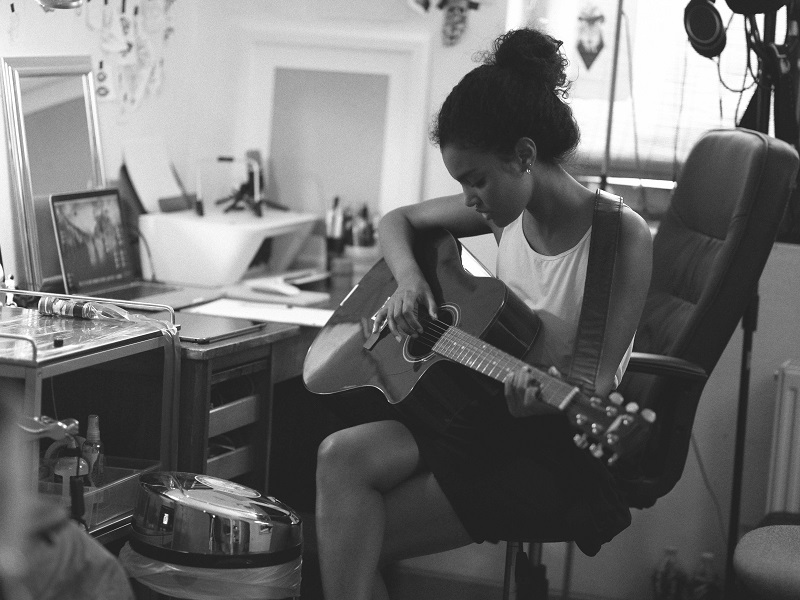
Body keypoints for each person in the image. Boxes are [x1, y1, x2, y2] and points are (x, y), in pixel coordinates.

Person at [314, 27, 653, 600]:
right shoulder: (503, 211)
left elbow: (591, 384)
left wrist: (537, 403)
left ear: (523, 154)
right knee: (336, 456)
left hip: (549, 438)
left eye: (476, 180)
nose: (470, 198)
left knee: (349, 538)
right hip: (476, 406)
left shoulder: (620, 237)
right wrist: (410, 281)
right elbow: (396, 221)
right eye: (462, 184)